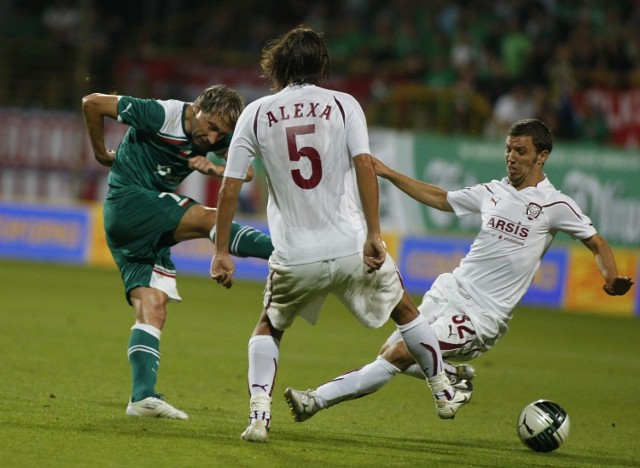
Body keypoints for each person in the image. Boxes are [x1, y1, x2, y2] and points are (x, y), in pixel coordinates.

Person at [210, 26, 472, 443]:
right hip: (351, 245)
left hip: (296, 254)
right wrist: (375, 233)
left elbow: (229, 186)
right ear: (321, 65)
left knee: (268, 327)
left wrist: (222, 250)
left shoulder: (256, 114)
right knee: (406, 312)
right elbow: (365, 165)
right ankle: (442, 390)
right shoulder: (343, 104)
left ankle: (259, 417)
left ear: (277, 63)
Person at [282, 118, 634, 423]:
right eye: (509, 149)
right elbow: (440, 198)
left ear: (542, 156)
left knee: (399, 355)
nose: (511, 157)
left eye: (521, 152)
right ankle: (452, 377)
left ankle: (316, 400)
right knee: (390, 355)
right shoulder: (493, 192)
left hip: (482, 314)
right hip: (448, 291)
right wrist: (387, 172)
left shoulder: (555, 205)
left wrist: (610, 277)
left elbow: (597, 242)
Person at [82, 85, 274, 420]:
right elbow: (93, 103)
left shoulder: (217, 138)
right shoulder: (161, 113)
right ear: (197, 106)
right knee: (209, 219)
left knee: (153, 307)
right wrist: (101, 153)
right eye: (211, 127)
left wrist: (213, 168)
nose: (213, 138)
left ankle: (141, 398)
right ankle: (287, 252)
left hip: (143, 228)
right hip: (130, 201)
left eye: (222, 134)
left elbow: (245, 172)